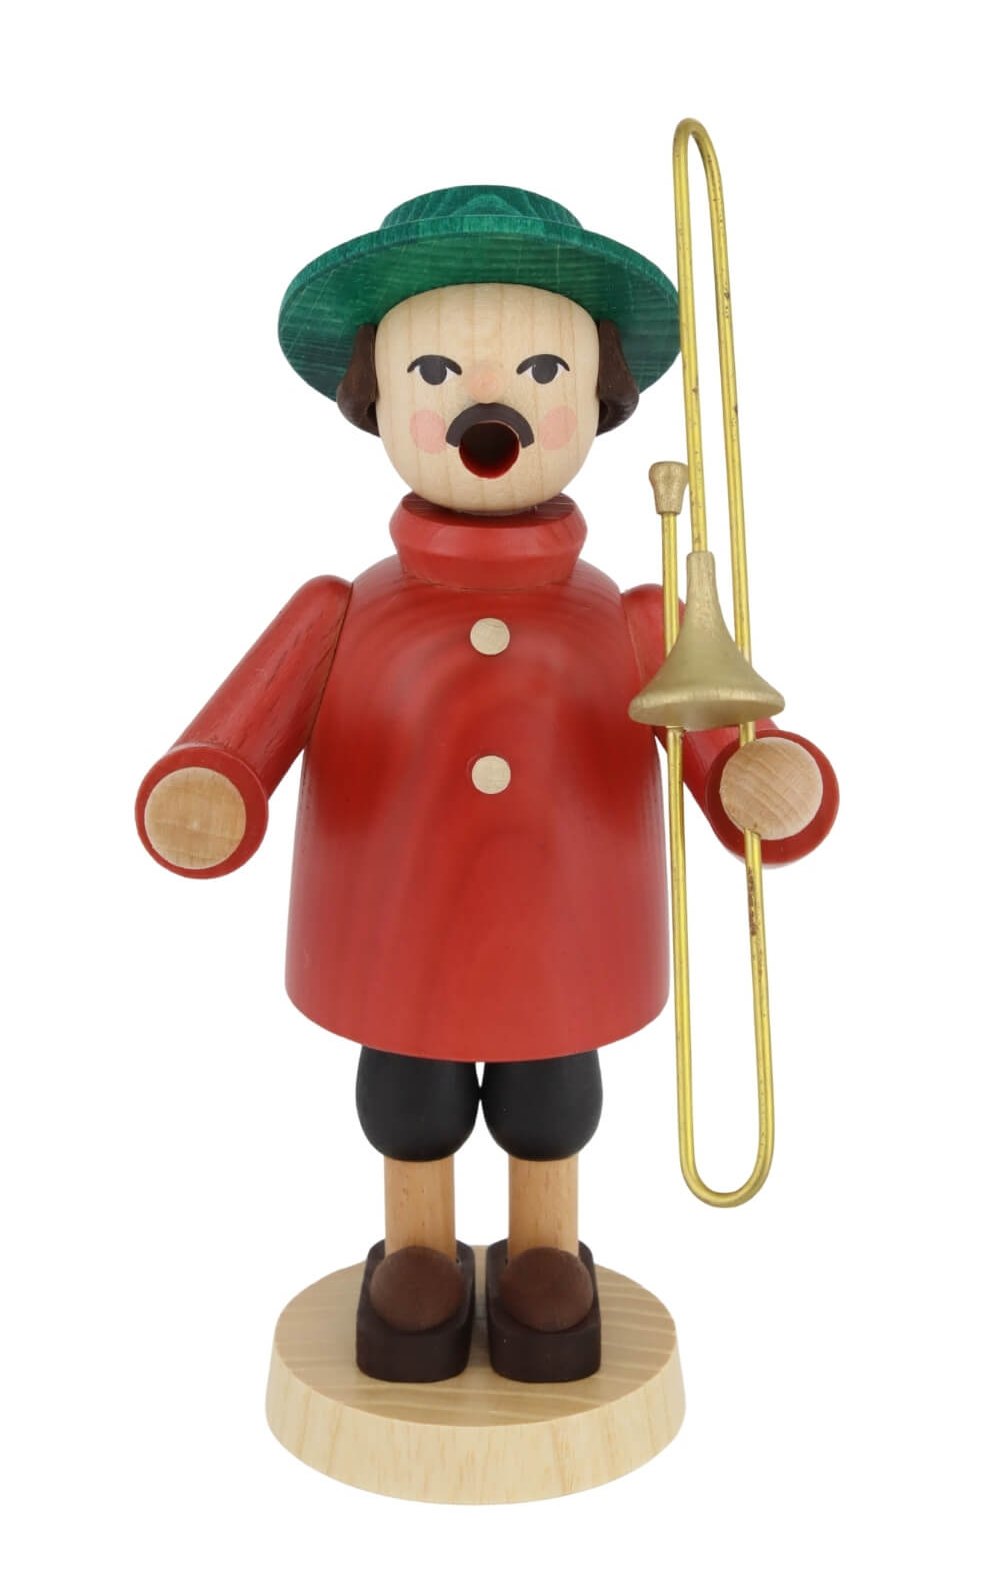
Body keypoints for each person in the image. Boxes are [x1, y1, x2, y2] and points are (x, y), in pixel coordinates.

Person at [136, 185, 838, 1382]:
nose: (487, 407)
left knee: (550, 1093)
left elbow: (731, 756)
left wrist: (766, 781)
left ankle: (544, 1247)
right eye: (435, 373)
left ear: (600, 397)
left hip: (567, 935)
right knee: (406, 1094)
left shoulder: (633, 616)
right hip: (392, 931)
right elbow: (235, 737)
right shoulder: (343, 610)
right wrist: (210, 788)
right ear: (373, 396)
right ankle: (415, 1246)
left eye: (540, 371)